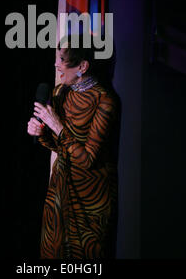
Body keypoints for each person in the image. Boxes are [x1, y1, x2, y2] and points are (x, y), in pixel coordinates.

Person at [27, 35, 120, 259]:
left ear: (82, 66)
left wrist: (57, 126)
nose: (56, 64)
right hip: (59, 192)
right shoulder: (60, 92)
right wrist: (41, 133)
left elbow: (88, 160)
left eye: (62, 58)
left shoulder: (104, 101)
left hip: (89, 200)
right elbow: (60, 147)